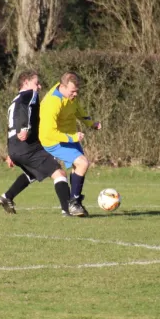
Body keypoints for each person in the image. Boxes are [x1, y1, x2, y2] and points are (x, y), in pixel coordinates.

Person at [0, 70, 72, 216]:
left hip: (15, 147)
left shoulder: (14, 101)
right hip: (26, 146)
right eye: (36, 83)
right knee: (59, 172)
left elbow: (11, 127)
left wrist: (10, 154)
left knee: (32, 173)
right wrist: (24, 128)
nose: (39, 87)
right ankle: (68, 209)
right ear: (26, 83)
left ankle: (7, 197)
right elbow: (25, 109)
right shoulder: (30, 94)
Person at [39, 72, 101, 217]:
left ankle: (74, 203)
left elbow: (77, 110)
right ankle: (73, 203)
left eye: (77, 91)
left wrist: (91, 123)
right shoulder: (52, 103)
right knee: (83, 163)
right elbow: (49, 133)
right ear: (63, 87)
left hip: (68, 136)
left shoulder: (70, 97)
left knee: (79, 166)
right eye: (73, 91)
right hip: (53, 141)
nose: (75, 94)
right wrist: (72, 137)